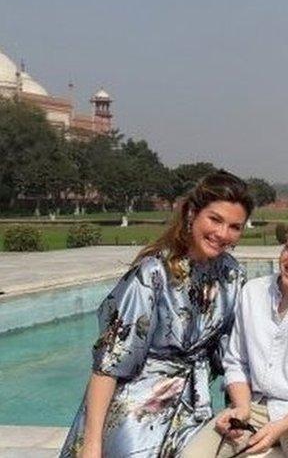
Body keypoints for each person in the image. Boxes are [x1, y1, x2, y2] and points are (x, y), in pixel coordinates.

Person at [60, 170, 254, 458]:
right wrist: (92, 444)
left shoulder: (233, 276)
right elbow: (109, 363)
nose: (222, 234)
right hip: (138, 413)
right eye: (215, 219)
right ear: (192, 213)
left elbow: (234, 354)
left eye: (234, 226)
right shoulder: (153, 274)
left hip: (194, 413)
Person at [181, 209, 288, 458]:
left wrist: (278, 428)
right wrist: (240, 409)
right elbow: (236, 361)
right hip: (252, 406)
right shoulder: (253, 292)